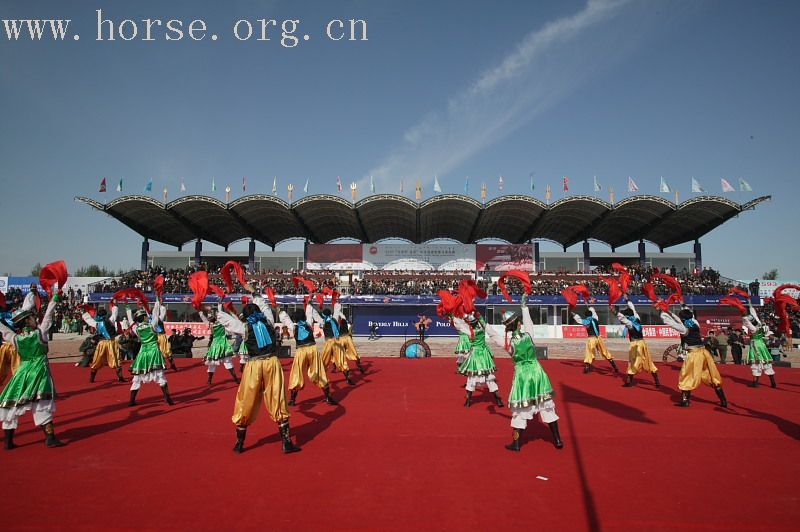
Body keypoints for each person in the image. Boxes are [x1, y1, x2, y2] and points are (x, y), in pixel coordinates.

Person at [228, 301, 301, 454]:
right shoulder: (268, 321)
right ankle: (286, 443)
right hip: (272, 363)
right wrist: (255, 293)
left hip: (254, 365)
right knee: (277, 398)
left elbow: (226, 321)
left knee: (246, 399)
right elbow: (267, 308)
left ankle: (239, 443)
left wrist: (206, 309)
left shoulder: (244, 327)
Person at [491, 295, 562, 451]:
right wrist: (524, 306)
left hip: (522, 376)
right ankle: (557, 440)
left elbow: (493, 335)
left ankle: (516, 444)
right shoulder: (529, 335)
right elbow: (529, 323)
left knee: (520, 411)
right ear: (519, 324)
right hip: (537, 372)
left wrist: (481, 323)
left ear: (507, 328)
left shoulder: (508, 343)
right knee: (546, 407)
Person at [0, 291, 65, 449]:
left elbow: (4, 331)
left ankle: (8, 441)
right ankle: (50, 437)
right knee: (42, 402)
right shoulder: (40, 334)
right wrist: (54, 299)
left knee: (12, 404)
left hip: (22, 372)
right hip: (39, 371)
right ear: (27, 321)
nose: (35, 319)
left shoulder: (16, 339)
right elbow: (48, 316)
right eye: (32, 318)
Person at [661, 306, 726, 407]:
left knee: (686, 376)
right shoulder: (695, 323)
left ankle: (685, 401)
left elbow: (670, 322)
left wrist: (662, 312)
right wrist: (668, 311)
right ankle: (723, 401)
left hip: (693, 354)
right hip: (704, 353)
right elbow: (679, 320)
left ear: (683, 319)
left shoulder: (684, 328)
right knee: (712, 376)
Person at [278, 303, 337, 406]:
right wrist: (309, 302)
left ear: (295, 318)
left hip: (301, 351)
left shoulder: (294, 326)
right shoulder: (308, 324)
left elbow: (285, 319)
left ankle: (292, 399)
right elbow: (309, 314)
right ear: (304, 317)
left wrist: (280, 311)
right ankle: (328, 397)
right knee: (319, 373)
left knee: (296, 374)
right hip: (312, 350)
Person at [453, 312, 503, 407]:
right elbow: (483, 322)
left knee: (471, 377)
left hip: (475, 355)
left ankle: (468, 400)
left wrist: (452, 316)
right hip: (484, 354)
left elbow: (459, 326)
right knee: (489, 377)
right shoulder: (482, 329)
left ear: (470, 323)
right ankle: (498, 399)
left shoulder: (469, 331)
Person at [127, 307, 175, 407]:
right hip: (153, 351)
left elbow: (131, 320)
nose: (146, 317)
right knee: (160, 375)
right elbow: (156, 315)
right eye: (145, 316)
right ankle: (167, 398)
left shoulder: (136, 328)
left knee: (137, 377)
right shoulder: (151, 325)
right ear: (144, 317)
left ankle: (132, 400)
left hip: (143, 352)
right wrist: (157, 301)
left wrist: (128, 308)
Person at [616, 300, 660, 388]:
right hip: (643, 343)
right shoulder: (637, 318)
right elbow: (633, 308)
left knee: (632, 362)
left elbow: (621, 317)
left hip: (635, 344)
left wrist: (615, 311)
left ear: (627, 316)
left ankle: (628, 382)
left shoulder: (630, 323)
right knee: (648, 361)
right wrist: (627, 300)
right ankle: (657, 381)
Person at [82, 305, 126, 383]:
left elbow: (88, 320)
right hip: (111, 343)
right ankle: (120, 377)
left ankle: (91, 379)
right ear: (106, 315)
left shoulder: (97, 323)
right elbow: (115, 313)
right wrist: (114, 305)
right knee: (116, 359)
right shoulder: (110, 321)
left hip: (101, 343)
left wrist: (84, 313)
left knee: (97, 360)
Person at [198, 304, 239, 385]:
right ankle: (235, 379)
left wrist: (199, 310)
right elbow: (215, 313)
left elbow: (204, 317)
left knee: (214, 363)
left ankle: (210, 380)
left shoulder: (212, 324)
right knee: (226, 362)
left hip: (216, 344)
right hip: (222, 343)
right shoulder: (219, 323)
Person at [572, 306, 619, 374]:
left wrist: (574, 314)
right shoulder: (595, 319)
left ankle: (587, 368)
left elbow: (579, 320)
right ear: (591, 314)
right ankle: (615, 366)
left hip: (591, 339)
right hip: (599, 338)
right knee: (605, 351)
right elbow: (594, 313)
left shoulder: (586, 321)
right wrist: (591, 308)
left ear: (586, 316)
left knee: (589, 352)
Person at [743, 305, 777, 388]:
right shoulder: (760, 325)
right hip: (762, 344)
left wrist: (743, 314)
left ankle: (755, 383)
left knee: (756, 363)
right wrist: (750, 306)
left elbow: (747, 322)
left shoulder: (754, 328)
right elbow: (754, 315)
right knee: (766, 362)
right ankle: (773, 382)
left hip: (756, 345)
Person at [320, 307, 354, 385]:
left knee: (324, 360)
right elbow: (337, 329)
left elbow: (335, 330)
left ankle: (322, 378)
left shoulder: (328, 321)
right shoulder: (331, 320)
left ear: (325, 315)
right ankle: (347, 378)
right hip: (336, 341)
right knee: (341, 360)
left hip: (330, 342)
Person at [334, 304, 366, 374]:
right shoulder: (343, 321)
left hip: (341, 339)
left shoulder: (336, 322)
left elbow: (338, 314)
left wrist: (336, 306)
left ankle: (343, 368)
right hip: (347, 338)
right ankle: (359, 365)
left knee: (340, 354)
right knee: (354, 353)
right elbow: (340, 314)